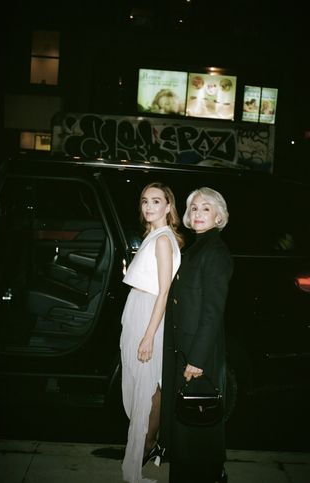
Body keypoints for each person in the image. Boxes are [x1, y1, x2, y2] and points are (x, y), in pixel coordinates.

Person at [160, 187, 234, 483]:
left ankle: (210, 476)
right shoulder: (195, 249)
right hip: (186, 351)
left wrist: (198, 359)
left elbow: (213, 312)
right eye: (193, 208)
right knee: (186, 430)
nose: (197, 213)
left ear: (219, 216)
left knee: (199, 428)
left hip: (198, 357)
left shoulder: (215, 252)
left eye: (206, 208)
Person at [120, 181, 184, 483]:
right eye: (145, 201)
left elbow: (163, 292)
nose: (149, 206)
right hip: (140, 311)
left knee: (146, 392)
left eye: (156, 201)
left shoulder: (162, 240)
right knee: (140, 390)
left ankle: (134, 470)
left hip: (148, 315)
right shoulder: (154, 236)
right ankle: (136, 463)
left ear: (169, 206)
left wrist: (148, 336)